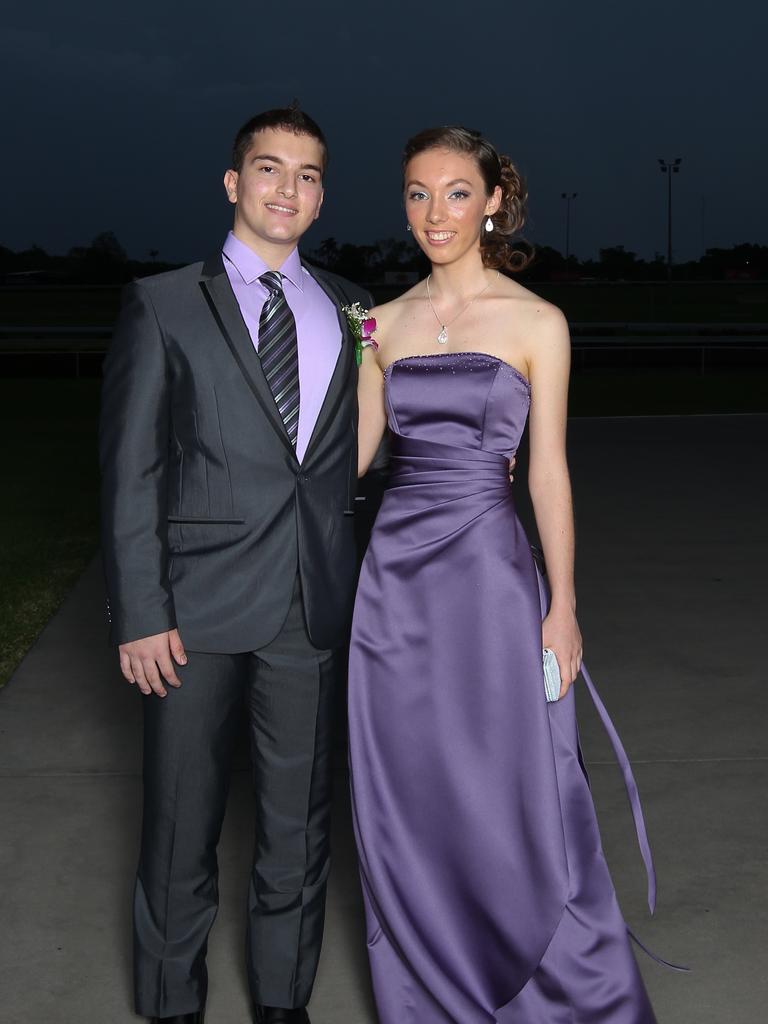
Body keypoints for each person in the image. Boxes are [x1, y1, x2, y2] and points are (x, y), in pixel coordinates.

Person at [349, 126, 660, 1022]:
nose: (434, 212)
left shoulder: (536, 322)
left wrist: (562, 606)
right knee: (408, 792)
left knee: (515, 784)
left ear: (492, 202)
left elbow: (550, 469)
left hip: (490, 579)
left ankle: (559, 988)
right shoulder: (378, 320)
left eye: (455, 192)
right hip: (394, 593)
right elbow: (347, 466)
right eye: (416, 193)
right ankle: (429, 991)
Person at [100, 105, 371, 1024]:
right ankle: (173, 1003)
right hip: (190, 613)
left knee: (299, 829)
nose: (287, 188)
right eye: (269, 169)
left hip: (312, 608)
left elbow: (355, 457)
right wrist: (140, 608)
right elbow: (131, 471)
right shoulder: (165, 301)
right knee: (180, 823)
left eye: (306, 174)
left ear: (321, 192)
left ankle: (282, 1004)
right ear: (233, 182)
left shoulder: (351, 307)